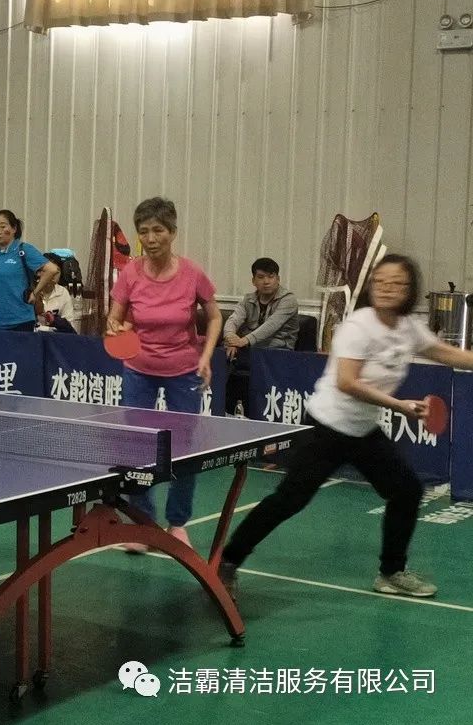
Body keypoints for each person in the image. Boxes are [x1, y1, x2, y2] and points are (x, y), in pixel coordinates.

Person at [220, 254, 473, 600]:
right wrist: (400, 406)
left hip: (363, 430)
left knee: (407, 491)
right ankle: (228, 561)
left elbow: (446, 353)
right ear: (372, 286)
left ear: (409, 289)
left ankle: (391, 572)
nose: (387, 288)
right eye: (381, 281)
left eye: (397, 283)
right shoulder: (358, 326)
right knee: (289, 500)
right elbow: (347, 382)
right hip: (326, 427)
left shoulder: (408, 328)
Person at [107, 197, 221, 551]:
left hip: (183, 371)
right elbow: (115, 317)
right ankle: (143, 523)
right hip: (138, 369)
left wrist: (206, 356)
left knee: (184, 449)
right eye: (144, 231)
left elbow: (215, 316)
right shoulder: (130, 273)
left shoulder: (192, 274)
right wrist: (114, 327)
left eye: (158, 230)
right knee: (137, 446)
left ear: (172, 232)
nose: (151, 238)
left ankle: (178, 523)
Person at [223, 257, 299, 414]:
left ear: (278, 279)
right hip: (251, 351)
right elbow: (233, 320)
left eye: (271, 277)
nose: (266, 281)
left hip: (278, 352)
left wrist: (244, 341)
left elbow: (271, 326)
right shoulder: (248, 299)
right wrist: (230, 338)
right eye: (261, 277)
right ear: (253, 281)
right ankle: (227, 411)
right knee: (222, 355)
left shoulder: (289, 300)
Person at [0, 209, 55, 332]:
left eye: (3, 226)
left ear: (14, 228)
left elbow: (51, 269)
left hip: (21, 318)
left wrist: (35, 293)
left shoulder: (23, 249)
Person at [35, 253, 78, 333]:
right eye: (48, 271)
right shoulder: (31, 292)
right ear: (39, 272)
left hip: (55, 337)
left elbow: (69, 324)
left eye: (57, 271)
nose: (53, 274)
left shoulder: (63, 292)